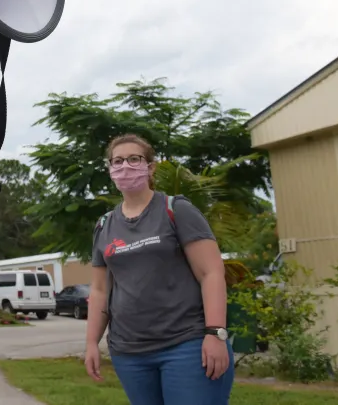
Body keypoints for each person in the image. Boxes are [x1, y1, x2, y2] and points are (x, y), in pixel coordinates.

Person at [84, 133, 235, 405]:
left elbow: (211, 273)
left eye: (134, 159)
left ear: (150, 167)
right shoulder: (104, 225)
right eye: (117, 161)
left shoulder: (175, 209)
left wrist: (216, 333)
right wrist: (91, 343)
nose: (125, 167)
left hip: (186, 345)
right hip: (129, 353)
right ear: (110, 170)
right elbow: (99, 290)